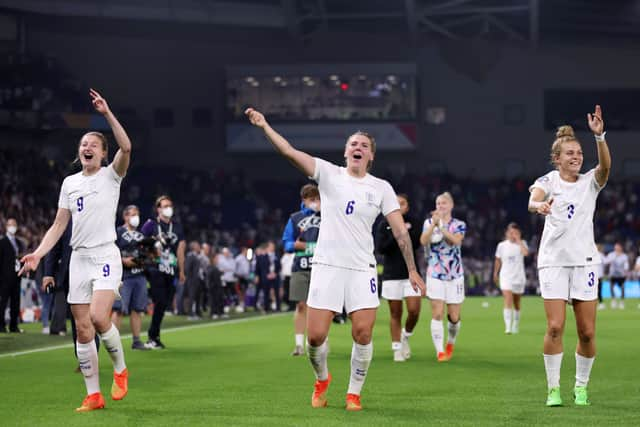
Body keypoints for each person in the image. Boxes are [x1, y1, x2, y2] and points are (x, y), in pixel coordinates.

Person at [245, 107, 425, 411]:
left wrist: (413, 270)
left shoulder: (381, 188)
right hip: (327, 265)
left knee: (363, 333)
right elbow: (288, 152)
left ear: (371, 156)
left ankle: (354, 393)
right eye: (353, 144)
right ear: (345, 151)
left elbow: (401, 233)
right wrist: (264, 126)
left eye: (364, 146)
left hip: (361, 268)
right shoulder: (328, 173)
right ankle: (322, 379)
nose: (358, 148)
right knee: (315, 337)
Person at [20, 89, 131, 412]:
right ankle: (93, 394)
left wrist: (107, 113)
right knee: (82, 329)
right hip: (79, 258)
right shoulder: (70, 183)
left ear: (103, 153)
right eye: (83, 144)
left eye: (93, 145)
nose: (86, 147)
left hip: (104, 254)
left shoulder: (112, 176)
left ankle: (121, 369)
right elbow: (58, 225)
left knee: (98, 317)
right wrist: (38, 254)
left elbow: (127, 146)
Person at [528, 105, 610, 407]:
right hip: (553, 262)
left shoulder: (590, 182)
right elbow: (533, 199)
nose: (576, 157)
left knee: (587, 332)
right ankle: (553, 389)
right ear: (557, 159)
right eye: (570, 154)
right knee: (555, 326)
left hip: (585, 262)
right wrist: (540, 206)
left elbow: (606, 168)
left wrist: (599, 137)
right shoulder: (549, 181)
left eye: (579, 153)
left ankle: (581, 386)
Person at [419, 192, 466, 362]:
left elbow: (455, 241)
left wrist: (442, 227)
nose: (440, 206)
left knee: (453, 317)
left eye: (444, 203)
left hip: (455, 275)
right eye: (438, 203)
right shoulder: (428, 223)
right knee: (437, 313)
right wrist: (433, 225)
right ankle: (439, 351)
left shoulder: (459, 224)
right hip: (435, 273)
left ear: (451, 205)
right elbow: (423, 241)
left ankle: (450, 343)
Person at [375, 194, 421, 362]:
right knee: (395, 313)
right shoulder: (383, 224)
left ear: (407, 206)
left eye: (402, 203)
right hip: (391, 274)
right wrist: (398, 234)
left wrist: (404, 230)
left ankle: (405, 336)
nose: (399, 206)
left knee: (414, 311)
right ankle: (396, 348)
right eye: (396, 203)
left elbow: (416, 243)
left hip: (411, 273)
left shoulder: (414, 222)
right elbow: (381, 248)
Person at [140, 195, 186, 349]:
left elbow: (180, 249)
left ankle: (155, 337)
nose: (168, 208)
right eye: (165, 205)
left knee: (164, 304)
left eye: (170, 205)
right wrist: (152, 249)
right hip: (155, 268)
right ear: (158, 209)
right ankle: (152, 336)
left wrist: (182, 271)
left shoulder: (177, 226)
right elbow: (140, 243)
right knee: (159, 300)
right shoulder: (151, 225)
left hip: (170, 269)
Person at [282, 183, 321, 356]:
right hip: (301, 266)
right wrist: (294, 245)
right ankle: (299, 344)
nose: (315, 203)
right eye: (312, 199)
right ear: (304, 200)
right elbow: (286, 243)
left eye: (318, 199)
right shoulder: (295, 218)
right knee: (300, 305)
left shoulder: (329, 215)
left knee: (320, 306)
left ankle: (319, 341)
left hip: (322, 267)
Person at [110, 205, 149, 350]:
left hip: (139, 275)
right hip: (123, 276)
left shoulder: (141, 235)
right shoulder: (118, 232)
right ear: (125, 216)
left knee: (137, 309)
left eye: (137, 214)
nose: (135, 217)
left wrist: (142, 260)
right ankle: (113, 342)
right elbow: (111, 250)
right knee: (118, 309)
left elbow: (146, 254)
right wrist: (122, 260)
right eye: (132, 214)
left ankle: (137, 340)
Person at [493, 222, 529, 334]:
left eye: (514, 232)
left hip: (519, 277)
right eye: (510, 232)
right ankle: (508, 327)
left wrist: (519, 241)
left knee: (517, 302)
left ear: (519, 233)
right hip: (505, 276)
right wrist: (495, 273)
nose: (512, 234)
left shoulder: (522, 243)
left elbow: (526, 253)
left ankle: (515, 325)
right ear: (506, 233)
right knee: (507, 299)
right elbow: (497, 260)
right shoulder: (502, 245)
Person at [0, 217, 25, 333]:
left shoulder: (19, 243)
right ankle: (1, 325)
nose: (12, 227)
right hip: (4, 278)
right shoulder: (2, 242)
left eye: (14, 224)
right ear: (6, 227)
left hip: (17, 276)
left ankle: (13, 325)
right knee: (3, 302)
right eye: (10, 225)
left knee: (16, 302)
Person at [254, 241, 281, 312]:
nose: (273, 247)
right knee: (266, 292)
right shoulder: (261, 256)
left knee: (277, 292)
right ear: (268, 247)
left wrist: (275, 273)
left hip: (275, 276)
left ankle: (278, 307)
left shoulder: (277, 255)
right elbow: (259, 267)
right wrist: (265, 274)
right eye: (271, 246)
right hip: (266, 277)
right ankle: (266, 307)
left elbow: (279, 266)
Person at [603, 243, 629, 309]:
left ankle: (622, 302)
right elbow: (606, 261)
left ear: (621, 248)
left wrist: (626, 271)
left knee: (622, 288)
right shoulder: (611, 255)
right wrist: (614, 257)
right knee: (611, 288)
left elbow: (626, 265)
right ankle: (613, 301)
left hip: (621, 275)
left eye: (618, 247)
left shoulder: (624, 256)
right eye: (615, 247)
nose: (616, 249)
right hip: (613, 274)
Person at [184, 241, 203, 319]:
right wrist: (191, 279)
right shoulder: (190, 256)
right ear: (194, 247)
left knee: (197, 297)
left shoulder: (196, 256)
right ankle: (190, 314)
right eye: (198, 246)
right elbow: (187, 269)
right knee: (192, 297)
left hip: (197, 279)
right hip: (192, 280)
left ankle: (197, 312)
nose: (199, 247)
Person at [234, 246, 251, 312]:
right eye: (246, 250)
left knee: (244, 291)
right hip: (240, 277)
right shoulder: (239, 258)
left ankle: (243, 305)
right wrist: (237, 274)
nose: (247, 252)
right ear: (243, 250)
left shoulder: (247, 258)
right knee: (240, 292)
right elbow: (235, 266)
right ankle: (240, 304)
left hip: (246, 277)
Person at [596, 244, 606, 310]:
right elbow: (606, 262)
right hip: (599, 275)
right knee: (599, 290)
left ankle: (601, 303)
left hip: (596, 276)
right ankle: (600, 303)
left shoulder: (598, 255)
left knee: (597, 291)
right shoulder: (601, 255)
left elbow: (605, 262)